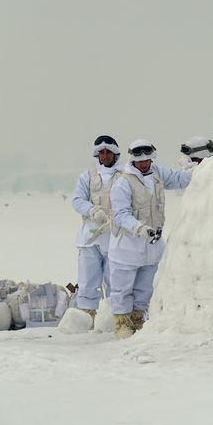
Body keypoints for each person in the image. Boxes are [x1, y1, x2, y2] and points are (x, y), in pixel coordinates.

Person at [108, 139, 193, 339]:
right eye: (141, 161)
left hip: (152, 246)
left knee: (145, 286)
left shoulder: (157, 173)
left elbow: (180, 178)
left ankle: (138, 318)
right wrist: (139, 228)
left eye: (147, 160)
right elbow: (120, 215)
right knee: (122, 287)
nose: (145, 164)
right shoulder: (123, 183)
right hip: (127, 247)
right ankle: (122, 323)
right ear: (133, 160)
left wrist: (204, 169)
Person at [70, 135, 122, 324]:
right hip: (90, 237)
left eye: (108, 152)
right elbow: (77, 200)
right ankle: (86, 318)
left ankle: (114, 318)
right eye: (102, 152)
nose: (105, 156)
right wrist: (92, 210)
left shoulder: (125, 175)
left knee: (115, 281)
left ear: (115, 154)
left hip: (115, 237)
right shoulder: (87, 176)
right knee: (86, 280)